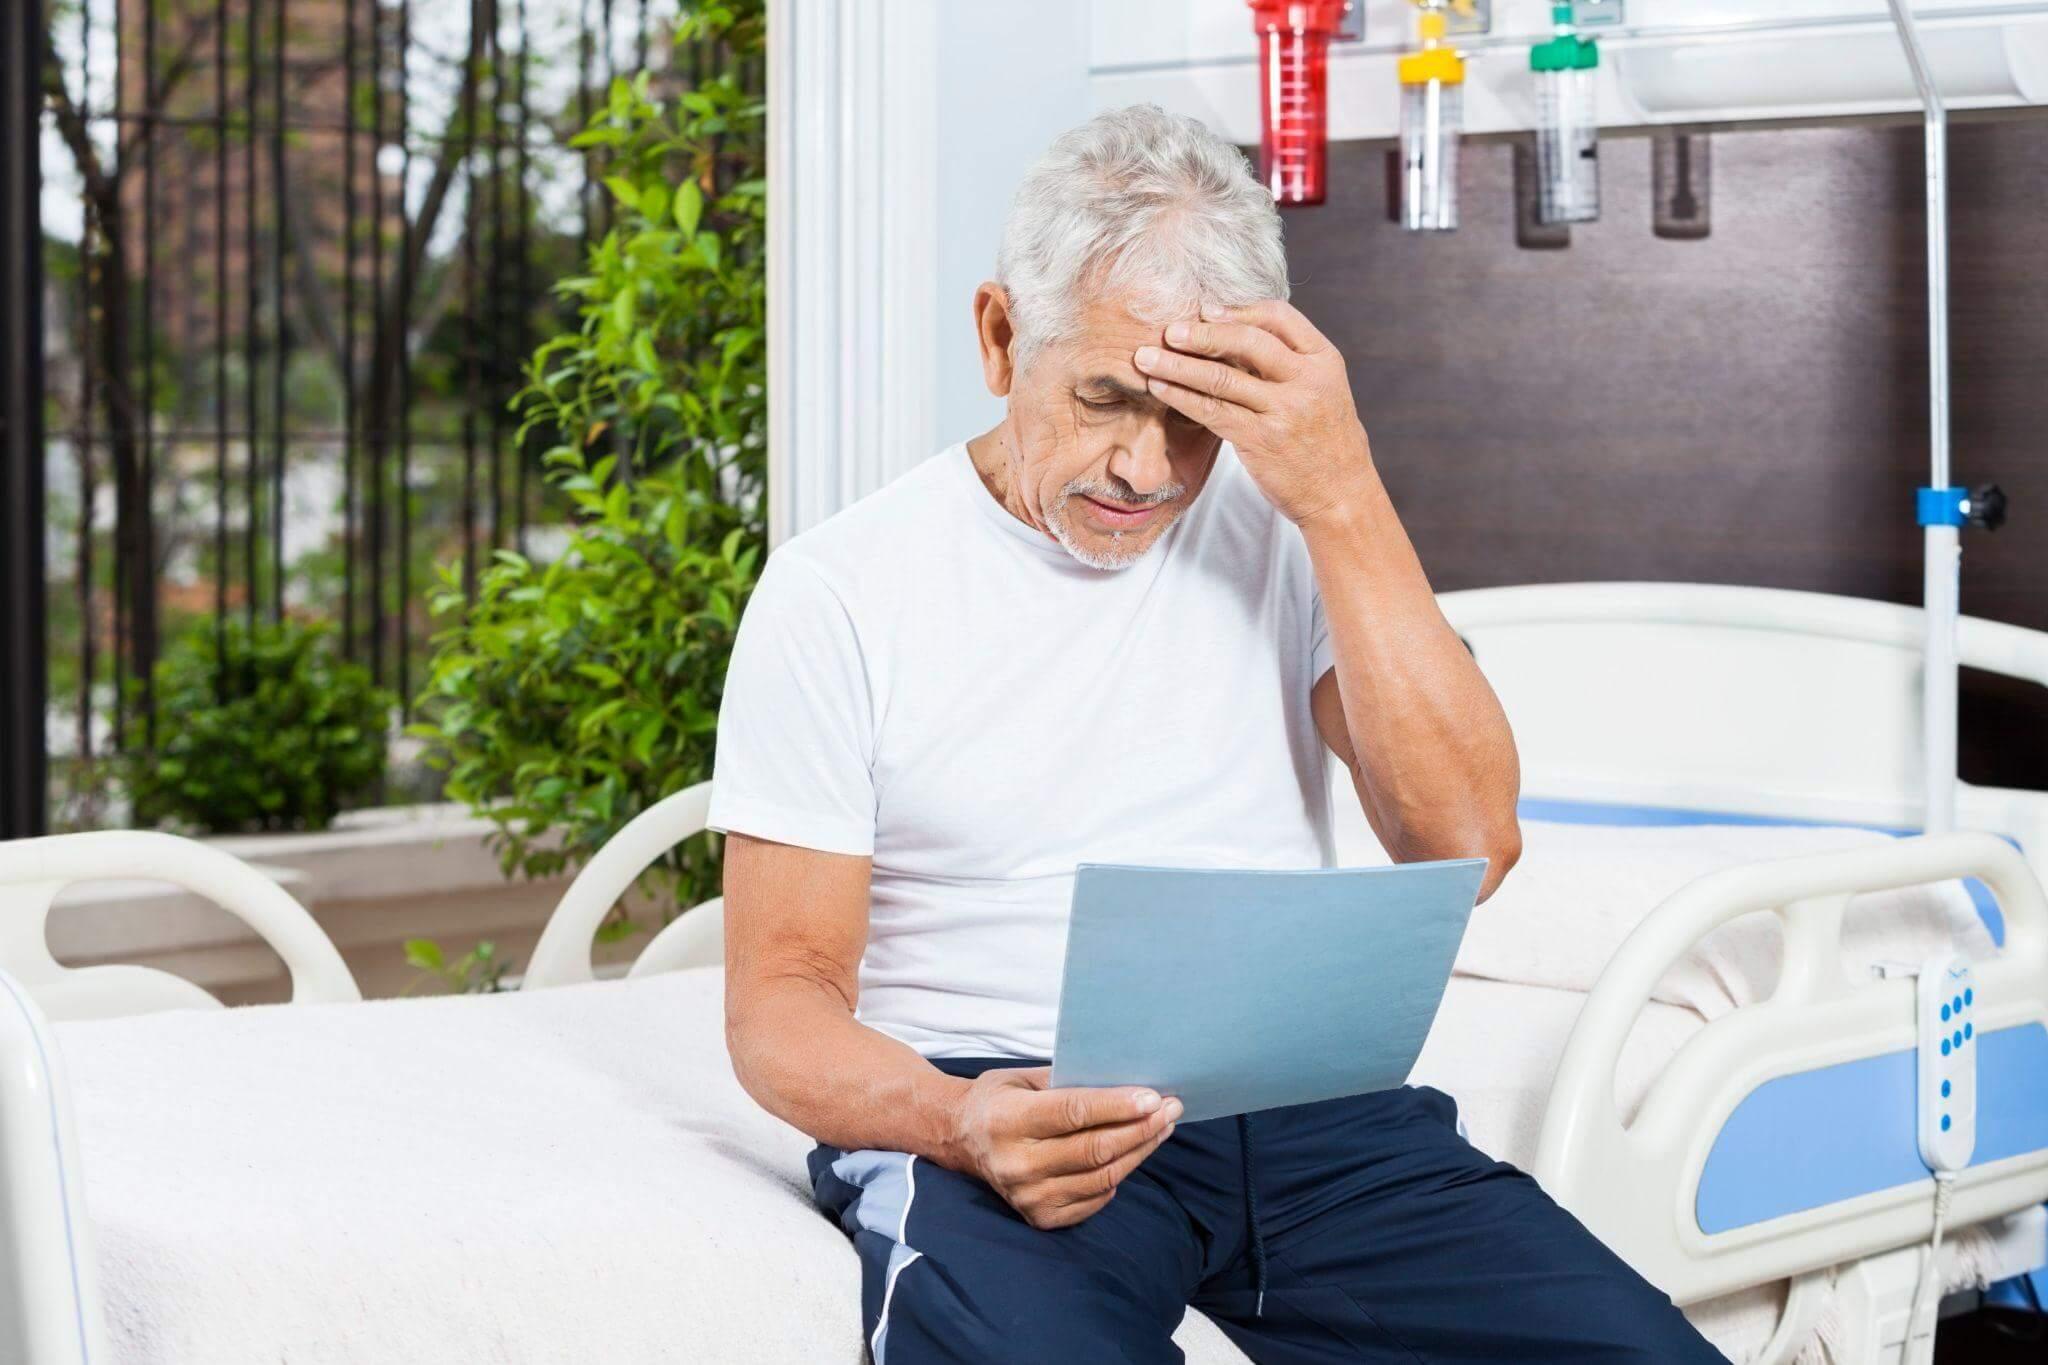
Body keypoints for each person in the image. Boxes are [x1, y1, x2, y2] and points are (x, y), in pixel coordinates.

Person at [710, 103, 1721, 1363]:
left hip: (1307, 1108)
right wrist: (954, 1121)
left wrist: (1341, 493)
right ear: (999, 336)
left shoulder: (1290, 527)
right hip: (1013, 1106)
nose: (1143, 469)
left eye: (1192, 418)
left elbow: (1465, 841)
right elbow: (778, 1007)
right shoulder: (839, 592)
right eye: (1101, 400)